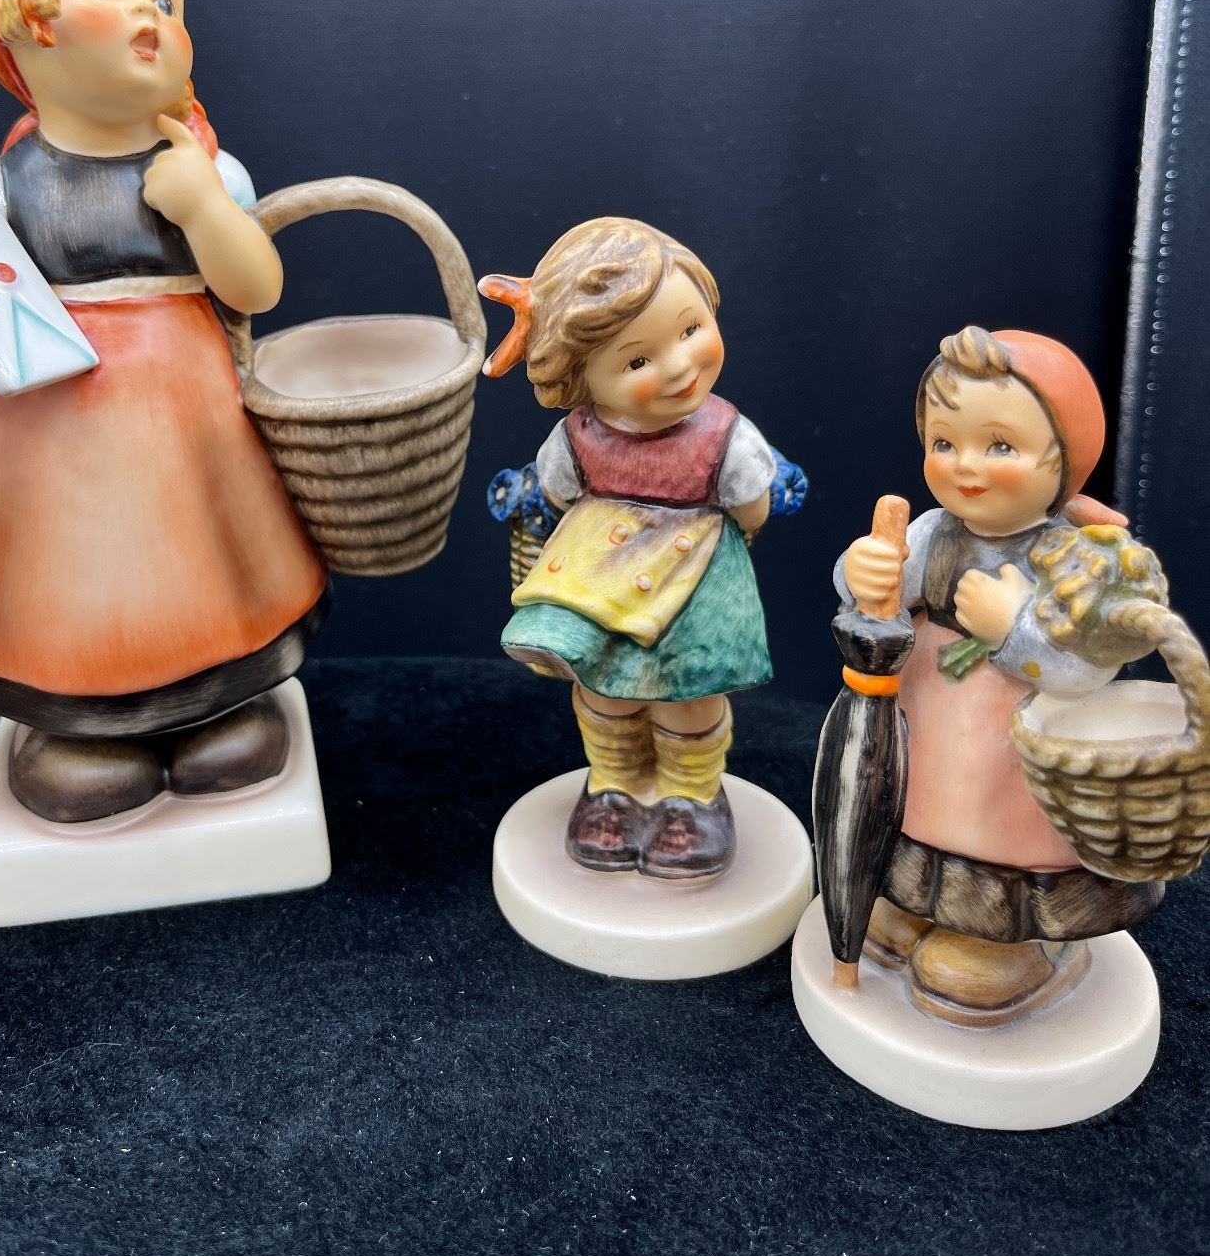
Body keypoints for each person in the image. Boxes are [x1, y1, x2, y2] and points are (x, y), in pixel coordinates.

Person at [0, 0, 327, 822]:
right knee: (67, 587)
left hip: (192, 434)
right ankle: (79, 727)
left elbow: (256, 288)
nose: (146, 14)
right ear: (16, 24)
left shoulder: (205, 170)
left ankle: (217, 705)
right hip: (42, 447)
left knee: (209, 566)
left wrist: (205, 209)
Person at [837, 324, 1162, 1023]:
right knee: (919, 814)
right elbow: (875, 601)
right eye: (944, 442)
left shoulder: (1078, 560)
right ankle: (915, 905)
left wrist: (1012, 629)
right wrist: (864, 574)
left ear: (1065, 459)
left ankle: (1005, 943)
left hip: (1012, 763)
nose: (966, 466)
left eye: (1001, 446)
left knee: (998, 835)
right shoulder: (931, 533)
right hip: (926, 738)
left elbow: (1086, 668)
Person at [480, 217, 786, 879]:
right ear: (583, 377)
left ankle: (691, 795)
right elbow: (555, 492)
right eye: (638, 361)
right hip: (603, 575)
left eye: (690, 329)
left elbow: (750, 506)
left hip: (695, 577)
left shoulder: (726, 435)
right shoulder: (578, 435)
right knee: (605, 686)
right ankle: (613, 784)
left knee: (687, 691)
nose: (678, 366)